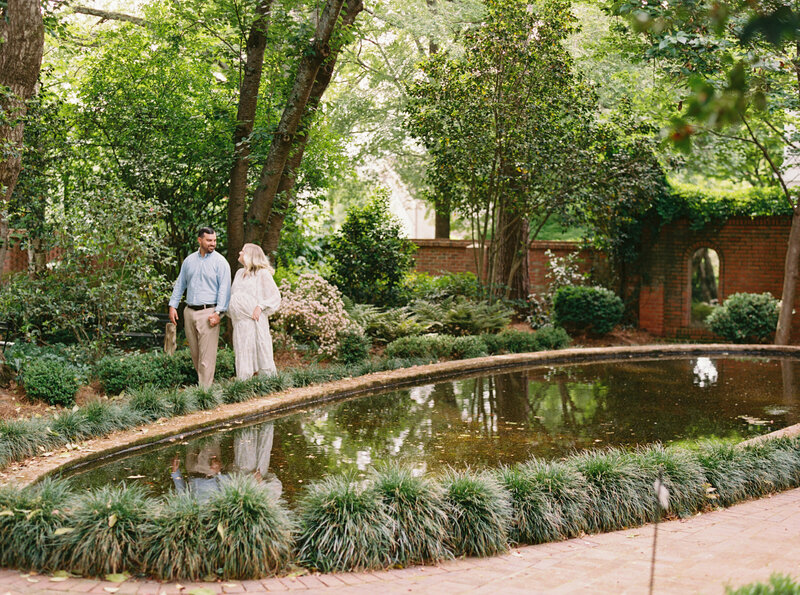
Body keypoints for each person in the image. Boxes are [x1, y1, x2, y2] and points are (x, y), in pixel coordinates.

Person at [168, 227, 231, 387]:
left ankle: (204, 392)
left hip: (209, 312)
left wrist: (219, 313)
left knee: (207, 356)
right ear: (200, 240)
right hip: (189, 312)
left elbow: (225, 289)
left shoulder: (220, 262)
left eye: (214, 240)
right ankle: (203, 386)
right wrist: (173, 305)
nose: (213, 243)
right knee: (195, 354)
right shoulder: (189, 261)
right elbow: (180, 284)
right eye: (209, 240)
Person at [228, 243, 281, 380]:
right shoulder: (239, 273)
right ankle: (245, 383)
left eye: (243, 251)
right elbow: (234, 295)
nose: (239, 253)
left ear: (250, 255)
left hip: (254, 321)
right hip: (240, 324)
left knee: (259, 351)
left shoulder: (262, 274)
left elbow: (275, 296)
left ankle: (265, 383)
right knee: (243, 352)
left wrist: (261, 306)